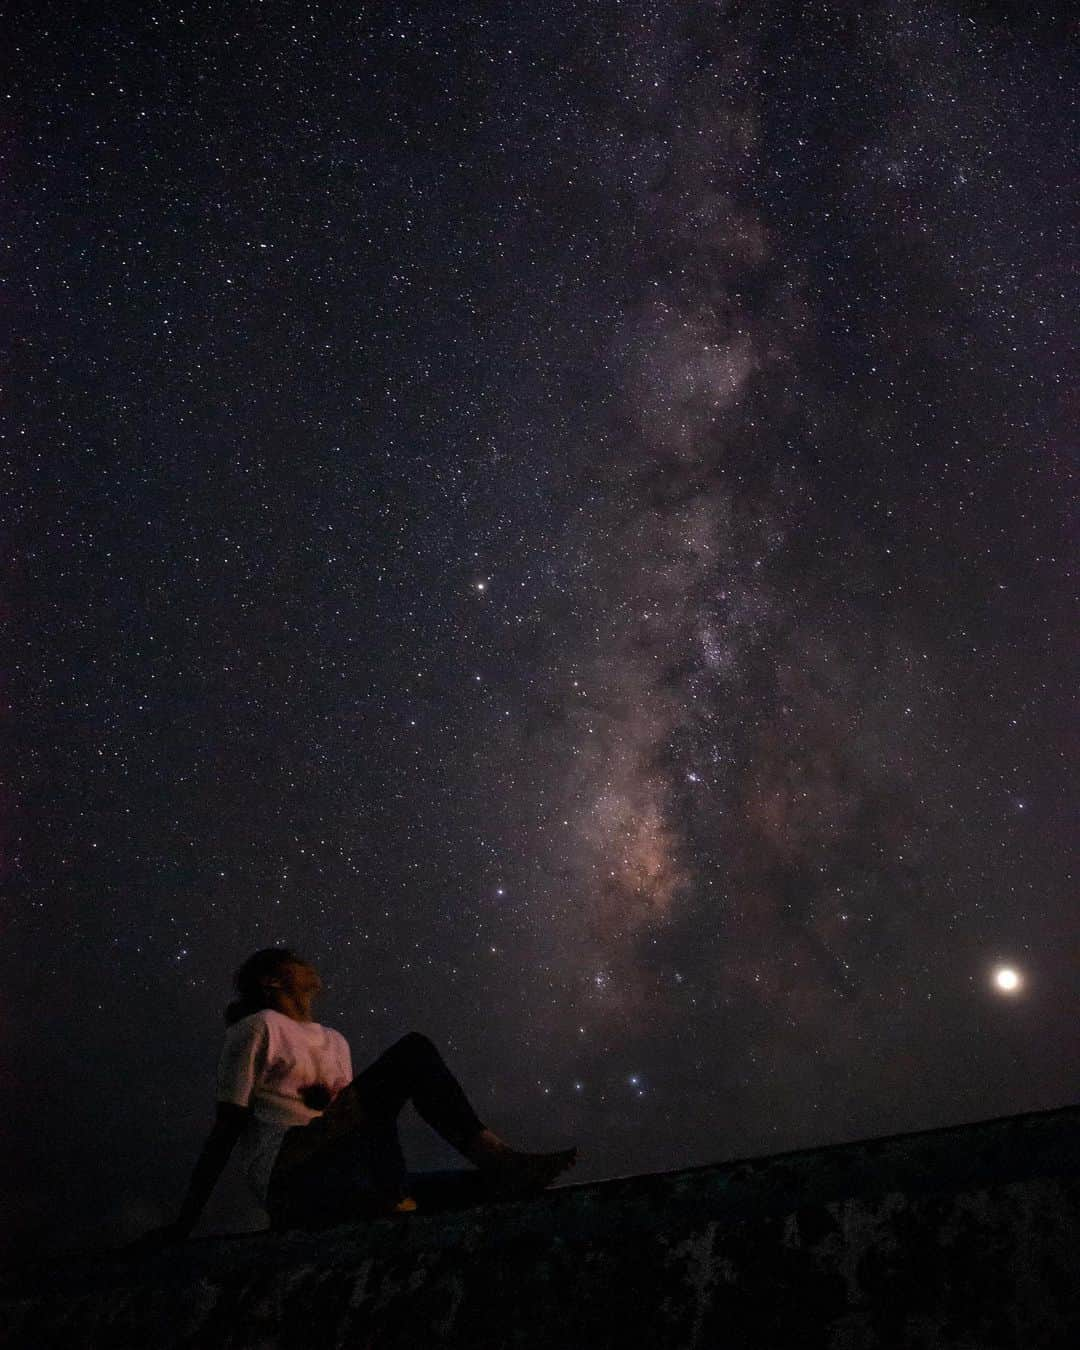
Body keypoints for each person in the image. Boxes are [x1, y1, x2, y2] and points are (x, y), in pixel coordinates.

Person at [157, 948, 577, 1239]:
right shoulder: (257, 1028)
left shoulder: (336, 1041)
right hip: (293, 1177)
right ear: (271, 980)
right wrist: (185, 1222)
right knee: (412, 1053)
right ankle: (496, 1158)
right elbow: (227, 1127)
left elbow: (365, 1122)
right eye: (294, 960)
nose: (307, 963)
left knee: (484, 1191)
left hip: (350, 1175)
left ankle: (400, 1195)